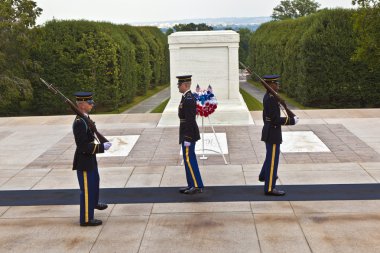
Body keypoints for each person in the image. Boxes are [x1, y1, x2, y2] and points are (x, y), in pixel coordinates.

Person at [72, 92, 112, 226]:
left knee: (94, 183)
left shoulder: (85, 119)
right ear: (82, 105)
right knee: (87, 190)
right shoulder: (79, 122)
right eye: (89, 103)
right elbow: (83, 146)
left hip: (90, 159)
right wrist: (101, 147)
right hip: (84, 161)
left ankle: (93, 203)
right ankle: (86, 219)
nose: (92, 105)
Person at [258, 75, 299, 196]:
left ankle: (263, 176)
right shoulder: (270, 99)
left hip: (269, 132)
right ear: (270, 85)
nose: (278, 85)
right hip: (273, 133)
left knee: (270, 157)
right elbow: (275, 119)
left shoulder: (270, 97)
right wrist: (291, 121)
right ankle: (270, 188)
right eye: (276, 83)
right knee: (272, 161)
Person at [177, 75, 204, 194]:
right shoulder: (186, 97)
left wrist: (187, 136)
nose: (178, 86)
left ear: (185, 85)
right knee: (189, 158)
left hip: (187, 133)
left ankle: (195, 185)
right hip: (186, 132)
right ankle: (192, 184)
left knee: (188, 159)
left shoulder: (188, 99)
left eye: (179, 84)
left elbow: (189, 120)